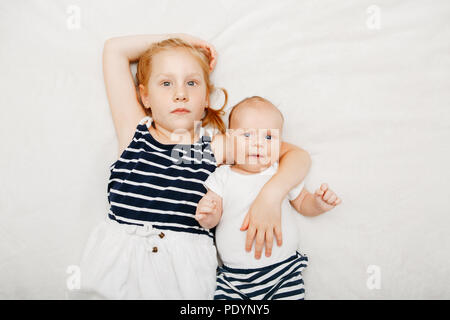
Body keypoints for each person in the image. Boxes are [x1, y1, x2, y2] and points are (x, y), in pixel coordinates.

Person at [78, 34, 312, 299]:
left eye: (192, 83)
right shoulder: (134, 131)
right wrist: (183, 40)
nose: (180, 94)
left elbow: (298, 156)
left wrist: (271, 195)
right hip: (119, 263)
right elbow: (114, 50)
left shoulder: (216, 146)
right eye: (166, 83)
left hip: (183, 271)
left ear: (205, 99)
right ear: (145, 96)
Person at [195, 96, 342, 300]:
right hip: (235, 280)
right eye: (247, 135)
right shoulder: (223, 176)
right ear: (230, 139)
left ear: (281, 142)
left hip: (283, 274)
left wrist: (318, 204)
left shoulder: (279, 172)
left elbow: (302, 203)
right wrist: (207, 215)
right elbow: (214, 215)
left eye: (268, 138)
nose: (258, 145)